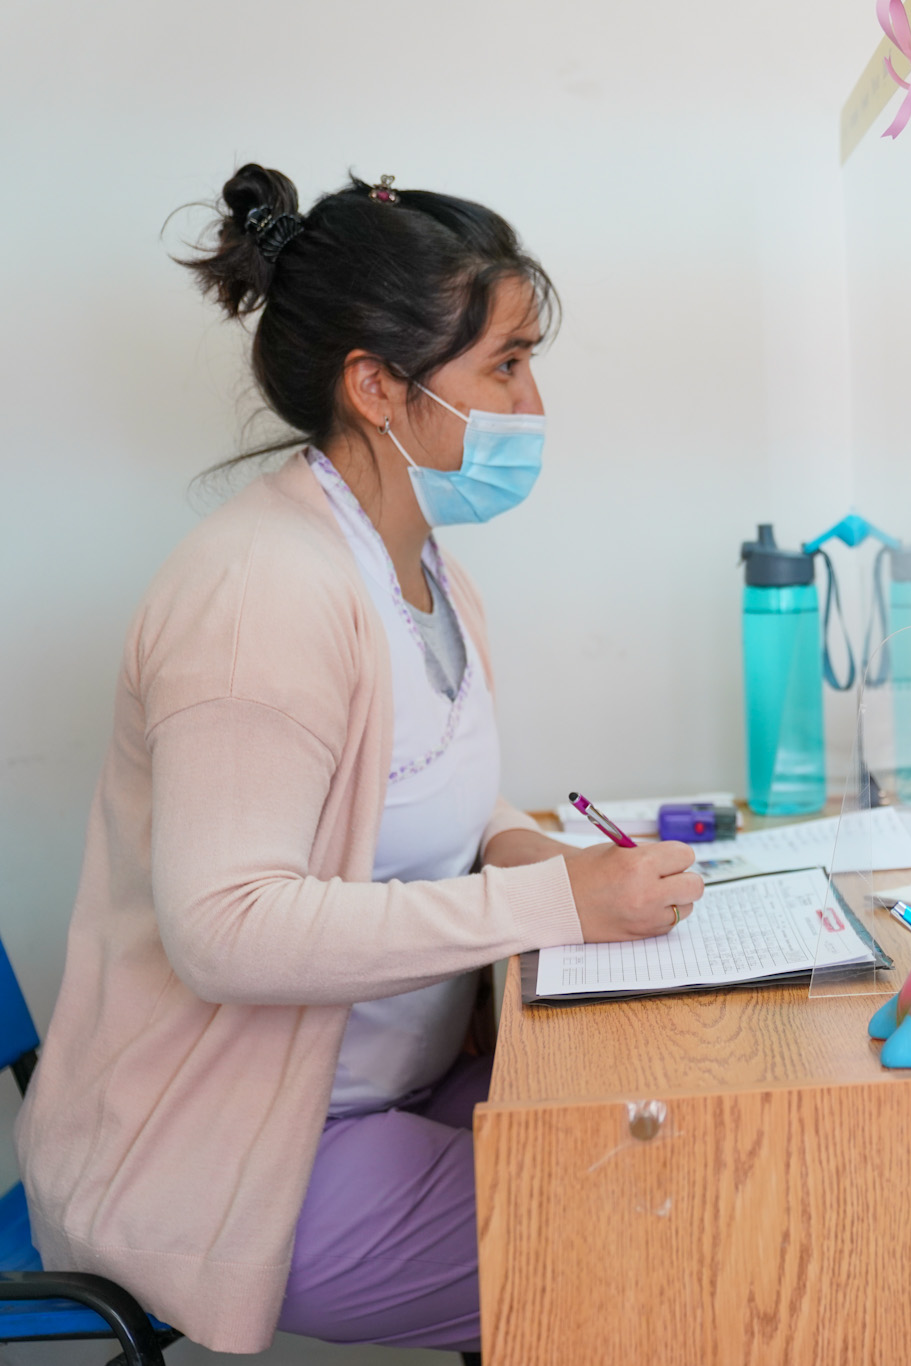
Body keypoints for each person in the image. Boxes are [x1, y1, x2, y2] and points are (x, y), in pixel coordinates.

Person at [15, 165, 704, 1355]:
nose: (531, 404)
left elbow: (414, 785)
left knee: (689, 1128)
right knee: (677, 1227)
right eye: (503, 366)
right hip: (236, 1148)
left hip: (371, 1089)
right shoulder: (260, 596)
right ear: (377, 385)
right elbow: (225, 929)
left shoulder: (416, 566)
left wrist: (520, 842)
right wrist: (549, 899)